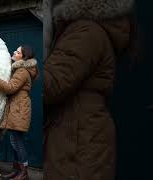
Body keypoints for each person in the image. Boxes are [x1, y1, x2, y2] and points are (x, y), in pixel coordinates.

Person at [43, 0, 135, 180]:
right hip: (82, 136)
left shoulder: (85, 31)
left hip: (75, 142)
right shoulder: (90, 28)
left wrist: (21, 69)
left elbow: (52, 85)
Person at [0, 45, 38, 180]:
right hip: (16, 107)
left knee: (17, 141)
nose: (14, 52)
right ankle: (16, 170)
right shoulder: (19, 69)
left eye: (17, 52)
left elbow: (10, 88)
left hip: (19, 108)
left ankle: (24, 172)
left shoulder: (22, 71)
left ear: (23, 57)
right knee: (14, 141)